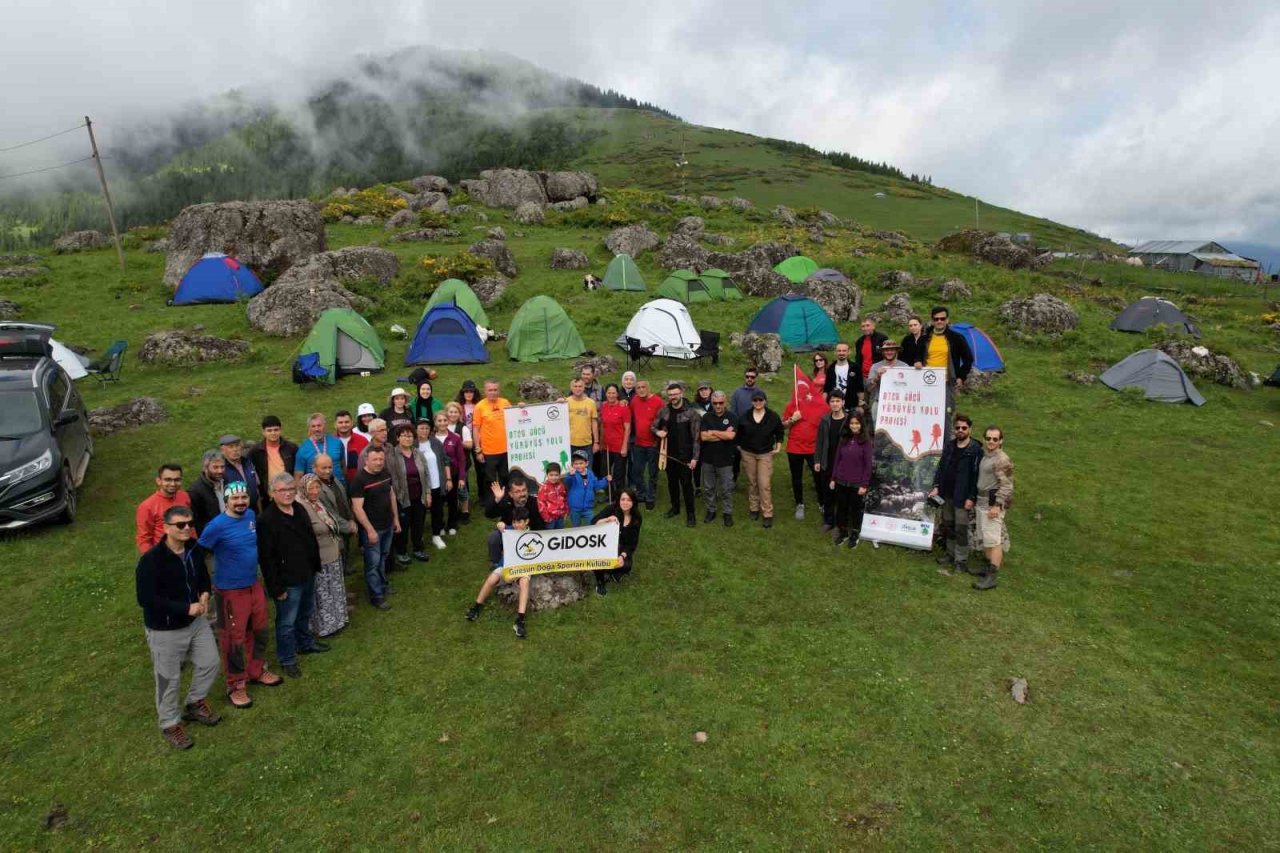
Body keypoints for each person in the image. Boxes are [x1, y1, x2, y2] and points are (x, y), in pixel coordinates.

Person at [135, 505, 220, 750]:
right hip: (165, 630)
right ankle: (170, 724)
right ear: (166, 527)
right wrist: (185, 608)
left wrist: (204, 593)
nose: (186, 529)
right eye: (180, 525)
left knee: (210, 662)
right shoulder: (151, 561)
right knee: (168, 679)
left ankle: (194, 703)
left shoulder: (193, 549)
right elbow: (146, 599)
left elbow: (203, 577)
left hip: (196, 622)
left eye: (190, 524)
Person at [198, 481, 283, 709]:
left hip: (253, 584)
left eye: (243, 497)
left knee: (260, 630)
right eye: (235, 498)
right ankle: (236, 685)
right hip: (229, 591)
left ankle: (256, 670)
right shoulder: (216, 526)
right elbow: (198, 554)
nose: (240, 502)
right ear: (226, 500)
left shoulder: (251, 516)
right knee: (232, 639)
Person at [257, 472, 325, 680]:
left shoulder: (299, 509)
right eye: (282, 490)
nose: (287, 494)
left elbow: (310, 539)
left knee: (305, 612)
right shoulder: (266, 520)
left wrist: (315, 565)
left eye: (290, 490)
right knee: (286, 622)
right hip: (288, 581)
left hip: (307, 572)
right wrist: (276, 588)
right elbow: (266, 558)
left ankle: (305, 643)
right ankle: (287, 658)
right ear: (272, 493)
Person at [465, 506, 533, 639]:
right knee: (491, 579)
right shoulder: (509, 530)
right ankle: (476, 607)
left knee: (524, 582)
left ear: (527, 522)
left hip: (523, 568)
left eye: (519, 522)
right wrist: (500, 525)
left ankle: (520, 620)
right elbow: (501, 526)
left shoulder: (532, 535)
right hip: (506, 565)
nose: (516, 525)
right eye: (514, 522)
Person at [298, 473, 349, 639]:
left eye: (317, 487)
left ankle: (338, 620)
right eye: (310, 488)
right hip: (319, 557)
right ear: (303, 489)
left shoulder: (318, 503)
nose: (314, 491)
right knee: (323, 593)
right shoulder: (302, 507)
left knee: (334, 588)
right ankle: (324, 627)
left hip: (332, 552)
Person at [929, 414, 982, 574]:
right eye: (957, 427)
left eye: (964, 428)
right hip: (946, 494)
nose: (960, 430)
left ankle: (961, 560)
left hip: (962, 496)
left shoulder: (975, 449)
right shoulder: (950, 446)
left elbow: (976, 476)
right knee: (949, 526)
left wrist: (971, 497)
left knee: (961, 529)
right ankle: (950, 554)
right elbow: (941, 467)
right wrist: (936, 486)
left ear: (970, 429)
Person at [349, 446, 400, 611]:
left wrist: (396, 519)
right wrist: (369, 530)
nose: (378, 463)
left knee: (383, 558)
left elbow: (391, 495)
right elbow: (357, 508)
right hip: (373, 529)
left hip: (387, 525)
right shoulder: (359, 480)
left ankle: (383, 585)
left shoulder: (385, 474)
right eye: (375, 460)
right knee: (372, 563)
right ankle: (376, 596)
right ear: (366, 460)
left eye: (381, 459)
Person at [652, 381, 700, 527]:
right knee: (672, 483)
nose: (673, 397)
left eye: (675, 394)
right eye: (670, 394)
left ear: (681, 394)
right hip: (667, 455)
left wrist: (695, 458)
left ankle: (691, 514)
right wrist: (657, 431)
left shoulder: (691, 413)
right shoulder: (664, 411)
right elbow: (653, 426)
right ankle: (675, 508)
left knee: (686, 485)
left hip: (685, 456)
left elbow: (697, 437)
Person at [972, 426, 1014, 591]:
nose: (991, 441)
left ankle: (992, 577)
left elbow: (1007, 485)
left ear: (1000, 441)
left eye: (995, 439)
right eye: (988, 438)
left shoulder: (1001, 459)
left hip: (992, 504)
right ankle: (987, 567)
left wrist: (997, 506)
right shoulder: (986, 456)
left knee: (994, 540)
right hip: (981, 501)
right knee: (986, 538)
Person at [736, 391, 785, 528]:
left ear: (765, 401)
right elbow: (738, 433)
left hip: (765, 454)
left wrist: (778, 446)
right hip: (748, 453)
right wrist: (740, 447)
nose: (758, 402)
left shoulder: (772, 416)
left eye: (761, 400)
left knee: (764, 484)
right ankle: (754, 508)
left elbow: (780, 432)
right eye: (755, 400)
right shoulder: (745, 416)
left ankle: (767, 513)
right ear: (752, 401)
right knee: (752, 482)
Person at [782, 380, 826, 522]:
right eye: (798, 390)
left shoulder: (816, 406)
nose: (801, 393)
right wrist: (792, 419)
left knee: (818, 476)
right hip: (794, 448)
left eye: (804, 390)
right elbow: (782, 426)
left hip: (813, 448)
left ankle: (822, 502)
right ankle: (799, 504)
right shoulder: (791, 406)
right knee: (796, 477)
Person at [829, 413, 874, 547]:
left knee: (855, 510)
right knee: (841, 508)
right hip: (841, 481)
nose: (854, 426)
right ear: (848, 425)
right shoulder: (844, 439)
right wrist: (833, 478)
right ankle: (843, 533)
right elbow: (837, 459)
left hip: (857, 484)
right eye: (852, 423)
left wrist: (864, 484)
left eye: (857, 423)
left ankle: (855, 534)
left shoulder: (866, 442)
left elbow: (868, 465)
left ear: (861, 424)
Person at [388, 424, 430, 563]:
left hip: (419, 496)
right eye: (404, 435)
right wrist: (398, 496)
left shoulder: (418, 453)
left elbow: (426, 474)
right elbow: (392, 478)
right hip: (402, 498)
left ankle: (418, 548)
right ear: (398, 437)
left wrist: (428, 493)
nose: (407, 438)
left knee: (418, 524)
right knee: (403, 526)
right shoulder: (392, 455)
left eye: (410, 436)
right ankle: (402, 551)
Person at [312, 453, 358, 576]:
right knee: (335, 561)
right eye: (323, 468)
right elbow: (327, 513)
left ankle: (344, 570)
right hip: (332, 529)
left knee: (344, 553)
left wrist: (351, 519)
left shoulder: (335, 480)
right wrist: (348, 526)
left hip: (344, 523)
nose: (328, 471)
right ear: (314, 468)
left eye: (330, 467)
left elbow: (345, 501)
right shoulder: (315, 488)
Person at [591, 488, 642, 596]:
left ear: (633, 502)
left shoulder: (636, 518)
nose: (625, 502)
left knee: (626, 565)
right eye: (623, 499)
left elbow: (632, 543)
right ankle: (600, 582)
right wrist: (607, 519)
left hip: (621, 547)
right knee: (599, 561)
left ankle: (614, 573)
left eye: (629, 500)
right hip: (604, 544)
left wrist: (622, 556)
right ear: (619, 500)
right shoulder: (611, 509)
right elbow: (593, 522)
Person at [698, 390, 736, 526]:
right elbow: (703, 437)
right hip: (708, 459)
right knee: (708, 488)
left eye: (720, 403)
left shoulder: (732, 417)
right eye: (715, 403)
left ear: (725, 401)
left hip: (725, 459)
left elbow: (731, 436)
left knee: (726, 488)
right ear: (712, 403)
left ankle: (727, 513)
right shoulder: (707, 417)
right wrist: (722, 434)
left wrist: (713, 432)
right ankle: (711, 510)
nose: (718, 406)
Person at [813, 391, 849, 531]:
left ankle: (840, 524)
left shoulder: (849, 420)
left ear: (843, 402)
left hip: (843, 463)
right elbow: (820, 442)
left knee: (841, 495)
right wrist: (817, 460)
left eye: (837, 401)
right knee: (827, 493)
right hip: (827, 461)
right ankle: (828, 521)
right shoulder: (825, 420)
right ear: (829, 403)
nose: (835, 404)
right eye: (832, 401)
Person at [136, 463, 192, 554]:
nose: (173, 484)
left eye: (177, 480)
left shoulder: (184, 496)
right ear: (158, 481)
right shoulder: (147, 506)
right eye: (168, 480)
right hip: (164, 555)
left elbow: (190, 525)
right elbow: (144, 539)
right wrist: (152, 560)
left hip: (187, 551)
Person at [473, 379, 512, 499]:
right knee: (490, 479)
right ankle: (491, 503)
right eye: (490, 390)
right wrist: (478, 450)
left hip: (506, 450)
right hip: (488, 451)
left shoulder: (505, 403)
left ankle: (505, 500)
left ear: (498, 390)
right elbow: (475, 429)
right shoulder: (480, 406)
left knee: (505, 477)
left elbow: (516, 418)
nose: (493, 392)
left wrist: (521, 407)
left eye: (495, 390)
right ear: (485, 391)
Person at [628, 379, 664, 510]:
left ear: (648, 388)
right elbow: (630, 415)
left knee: (652, 472)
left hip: (653, 443)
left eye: (643, 387)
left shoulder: (658, 401)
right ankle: (641, 493)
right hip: (638, 442)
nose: (641, 390)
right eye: (638, 388)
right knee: (637, 471)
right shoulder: (634, 400)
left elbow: (664, 419)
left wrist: (662, 432)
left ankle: (651, 496)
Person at [248, 416, 297, 506]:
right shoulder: (256, 451)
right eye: (269, 430)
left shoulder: (291, 448)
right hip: (268, 496)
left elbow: (296, 470)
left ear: (280, 430)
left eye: (276, 430)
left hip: (288, 493)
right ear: (263, 432)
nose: (273, 433)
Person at [922, 305, 974, 390]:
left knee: (948, 404)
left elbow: (968, 359)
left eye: (942, 319)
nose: (939, 321)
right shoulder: (924, 338)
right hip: (925, 381)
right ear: (932, 321)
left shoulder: (957, 338)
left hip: (947, 382)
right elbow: (916, 356)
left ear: (947, 320)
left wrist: (961, 377)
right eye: (936, 319)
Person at [430, 412, 464, 536]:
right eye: (440, 421)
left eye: (445, 420)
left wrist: (461, 477)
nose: (443, 423)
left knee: (452, 500)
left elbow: (461, 459)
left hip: (453, 474)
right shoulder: (431, 438)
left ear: (448, 421)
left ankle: (452, 524)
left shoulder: (455, 438)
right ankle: (439, 526)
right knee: (438, 502)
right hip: (436, 475)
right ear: (435, 423)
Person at [293, 412, 346, 486]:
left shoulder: (337, 442)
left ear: (324, 426)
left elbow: (343, 465)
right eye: (313, 426)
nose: (316, 429)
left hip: (338, 486)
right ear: (309, 428)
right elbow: (298, 476)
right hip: (315, 491)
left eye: (319, 426)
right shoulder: (303, 449)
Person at [598, 383, 631, 500]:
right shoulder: (603, 406)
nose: (611, 395)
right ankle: (610, 494)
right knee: (604, 472)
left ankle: (620, 496)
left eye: (613, 393)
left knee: (619, 474)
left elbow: (627, 428)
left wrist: (624, 446)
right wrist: (601, 442)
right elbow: (602, 425)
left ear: (617, 394)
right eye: (609, 393)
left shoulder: (623, 407)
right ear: (605, 394)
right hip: (607, 446)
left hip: (619, 446)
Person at [444, 401, 474, 524]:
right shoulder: (442, 426)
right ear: (446, 413)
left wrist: (458, 440)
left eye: (456, 412)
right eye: (451, 412)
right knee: (449, 488)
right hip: (446, 464)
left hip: (461, 463)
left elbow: (470, 445)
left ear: (459, 414)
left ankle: (465, 511)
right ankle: (453, 509)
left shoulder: (463, 428)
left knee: (462, 488)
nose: (453, 414)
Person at [863, 339, 904, 424]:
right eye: (886, 350)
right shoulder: (875, 366)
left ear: (896, 351)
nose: (889, 352)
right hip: (879, 403)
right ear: (882, 352)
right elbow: (868, 389)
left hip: (899, 405)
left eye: (892, 350)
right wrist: (876, 377)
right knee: (878, 433)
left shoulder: (904, 367)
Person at [565, 450, 608, 527]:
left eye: (581, 463)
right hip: (575, 508)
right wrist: (571, 475)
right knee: (576, 527)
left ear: (586, 463)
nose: (578, 466)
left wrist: (606, 480)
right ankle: (576, 537)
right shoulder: (572, 474)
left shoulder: (590, 474)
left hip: (588, 507)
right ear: (572, 464)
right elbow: (567, 481)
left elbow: (596, 485)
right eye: (576, 464)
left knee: (592, 525)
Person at [188, 450, 225, 534]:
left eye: (222, 467)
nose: (220, 471)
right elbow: (196, 522)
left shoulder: (226, 482)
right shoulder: (195, 491)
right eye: (215, 467)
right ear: (205, 468)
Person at [219, 435, 259, 513]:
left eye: (237, 446)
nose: (235, 449)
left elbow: (256, 489)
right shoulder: (221, 469)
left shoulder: (248, 462)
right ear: (223, 450)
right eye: (231, 447)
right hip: (236, 514)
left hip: (254, 511)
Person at [851, 318, 888, 403]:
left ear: (873, 326)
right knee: (864, 400)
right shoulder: (859, 341)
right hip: (863, 376)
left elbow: (888, 355)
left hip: (876, 375)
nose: (865, 328)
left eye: (868, 325)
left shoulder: (882, 338)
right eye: (863, 326)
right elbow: (858, 358)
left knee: (875, 400)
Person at [332, 409, 368, 485]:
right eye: (340, 422)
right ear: (335, 424)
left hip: (359, 483)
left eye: (347, 422)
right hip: (336, 483)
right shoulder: (330, 442)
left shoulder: (363, 441)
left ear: (352, 423)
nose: (344, 425)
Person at [535, 462, 568, 529]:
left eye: (556, 475)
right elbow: (541, 504)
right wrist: (547, 518)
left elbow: (564, 499)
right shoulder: (543, 488)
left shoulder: (561, 486)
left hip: (560, 517)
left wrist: (565, 512)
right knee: (550, 536)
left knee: (560, 535)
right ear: (547, 475)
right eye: (551, 475)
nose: (554, 477)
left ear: (560, 475)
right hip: (550, 519)